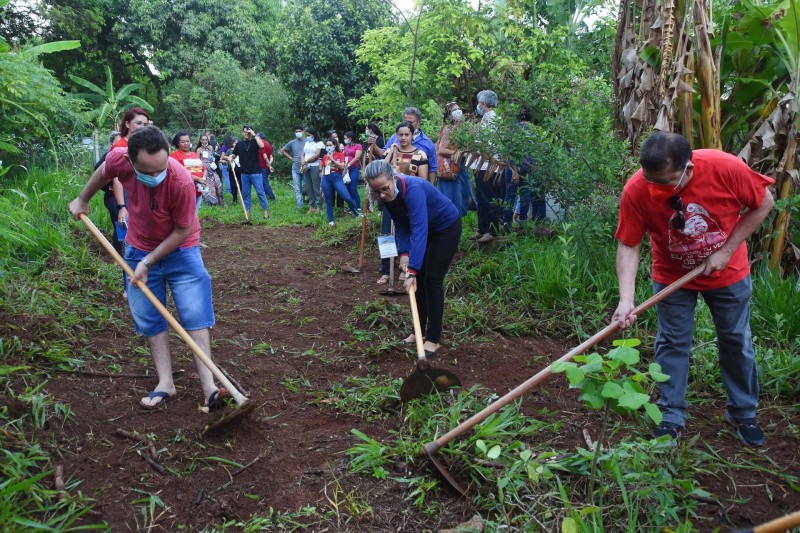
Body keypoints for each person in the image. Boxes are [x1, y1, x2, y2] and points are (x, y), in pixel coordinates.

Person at [612, 131, 774, 446]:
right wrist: (626, 299)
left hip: (728, 273)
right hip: (672, 275)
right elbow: (629, 246)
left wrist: (727, 250)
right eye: (651, 182)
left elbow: (763, 202)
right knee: (672, 342)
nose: (656, 190)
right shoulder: (636, 189)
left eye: (666, 183)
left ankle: (743, 412)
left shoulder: (724, 168)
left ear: (688, 169)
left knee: (735, 339)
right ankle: (670, 416)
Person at [68, 126, 229, 411]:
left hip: (182, 249)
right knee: (149, 314)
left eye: (161, 169)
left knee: (195, 312)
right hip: (138, 245)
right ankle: (165, 383)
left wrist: (147, 262)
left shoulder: (179, 180)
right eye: (149, 171)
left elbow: (182, 230)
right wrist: (83, 199)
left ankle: (209, 387)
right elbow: (104, 171)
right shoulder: (119, 158)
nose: (156, 176)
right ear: (131, 162)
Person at [364, 160, 462, 357]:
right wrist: (404, 254)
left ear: (393, 177)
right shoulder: (386, 194)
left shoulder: (413, 188)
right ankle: (418, 332)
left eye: (385, 189)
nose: (382, 195)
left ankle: (433, 339)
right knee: (417, 284)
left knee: (432, 279)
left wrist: (413, 269)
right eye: (377, 192)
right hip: (424, 231)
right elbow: (401, 225)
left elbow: (419, 229)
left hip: (445, 228)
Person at [378, 122, 429, 284]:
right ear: (396, 136)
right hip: (389, 199)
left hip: (408, 201)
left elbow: (423, 181)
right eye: (400, 135)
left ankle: (405, 268)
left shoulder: (420, 154)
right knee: (386, 233)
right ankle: (386, 270)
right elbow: (381, 171)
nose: (403, 138)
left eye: (407, 134)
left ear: (412, 135)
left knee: (407, 233)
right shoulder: (392, 151)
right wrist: (390, 154)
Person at [471, 90, 505, 244]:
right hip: (482, 164)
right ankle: (482, 228)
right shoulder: (486, 118)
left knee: (489, 198)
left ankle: (492, 230)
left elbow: (489, 145)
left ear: (483, 104)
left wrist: (474, 146)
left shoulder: (492, 120)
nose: (478, 105)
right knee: (481, 197)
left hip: (489, 166)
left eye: (479, 102)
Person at [502, 105, 543, 231]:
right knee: (525, 194)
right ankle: (522, 221)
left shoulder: (513, 128)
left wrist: (514, 170)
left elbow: (509, 150)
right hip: (528, 167)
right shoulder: (534, 130)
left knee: (510, 194)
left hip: (514, 167)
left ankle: (507, 222)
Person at [371, 107, 438, 181]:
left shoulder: (427, 143)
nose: (403, 138)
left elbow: (432, 167)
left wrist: (431, 187)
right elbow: (384, 155)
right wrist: (374, 145)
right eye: (406, 121)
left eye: (411, 122)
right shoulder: (395, 137)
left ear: (419, 122)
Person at [436, 101, 473, 217]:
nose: (458, 111)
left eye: (458, 109)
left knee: (462, 198)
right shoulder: (449, 129)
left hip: (459, 168)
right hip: (451, 168)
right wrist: (459, 153)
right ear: (449, 115)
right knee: (452, 200)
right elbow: (441, 149)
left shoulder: (461, 128)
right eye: (454, 110)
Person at [320, 138, 361, 226]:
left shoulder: (340, 154)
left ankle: (357, 213)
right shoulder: (325, 157)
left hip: (336, 177)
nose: (328, 147)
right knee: (329, 201)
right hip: (326, 178)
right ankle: (331, 221)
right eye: (327, 145)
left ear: (335, 145)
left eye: (330, 145)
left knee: (347, 197)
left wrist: (333, 160)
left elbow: (342, 166)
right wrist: (321, 184)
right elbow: (323, 170)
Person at [232, 125, 269, 220]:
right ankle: (247, 213)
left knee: (260, 192)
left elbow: (262, 145)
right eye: (244, 131)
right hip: (244, 173)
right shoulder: (239, 144)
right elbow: (234, 154)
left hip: (256, 172)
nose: (246, 133)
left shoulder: (254, 142)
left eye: (248, 131)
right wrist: (230, 157)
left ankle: (265, 212)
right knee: (246, 194)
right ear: (242, 132)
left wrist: (254, 134)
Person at [170, 132, 207, 213]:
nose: (186, 143)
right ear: (178, 143)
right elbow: (180, 173)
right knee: (186, 213)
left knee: (195, 212)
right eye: (183, 142)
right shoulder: (174, 156)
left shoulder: (194, 154)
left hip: (198, 190)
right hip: (184, 191)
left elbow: (204, 169)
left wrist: (203, 179)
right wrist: (198, 179)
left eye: (187, 141)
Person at [281, 125, 307, 209]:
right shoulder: (292, 142)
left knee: (309, 187)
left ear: (303, 132)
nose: (298, 133)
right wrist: (291, 158)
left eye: (299, 131)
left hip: (306, 167)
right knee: (297, 188)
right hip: (295, 167)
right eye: (296, 132)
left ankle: (312, 205)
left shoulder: (308, 141)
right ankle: (300, 206)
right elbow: (282, 150)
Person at [300, 127, 325, 214]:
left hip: (315, 166)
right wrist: (303, 163)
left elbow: (317, 155)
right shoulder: (307, 142)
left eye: (309, 135)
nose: (307, 137)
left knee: (316, 187)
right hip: (306, 167)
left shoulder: (319, 143)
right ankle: (312, 206)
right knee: (309, 187)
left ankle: (319, 206)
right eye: (306, 135)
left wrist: (306, 161)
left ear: (313, 135)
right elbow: (303, 154)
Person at [195, 134, 224, 206]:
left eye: (206, 139)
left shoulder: (210, 147)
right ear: (200, 140)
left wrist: (214, 162)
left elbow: (213, 156)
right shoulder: (199, 150)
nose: (205, 141)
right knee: (209, 185)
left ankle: (221, 200)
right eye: (203, 140)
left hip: (212, 167)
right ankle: (211, 202)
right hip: (204, 169)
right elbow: (197, 161)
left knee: (218, 182)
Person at [342, 131, 364, 210]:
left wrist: (349, 165)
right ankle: (351, 206)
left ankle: (358, 207)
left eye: (345, 138)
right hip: (346, 170)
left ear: (350, 138)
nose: (344, 140)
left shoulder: (358, 146)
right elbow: (343, 156)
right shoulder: (346, 147)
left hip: (354, 169)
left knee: (353, 188)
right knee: (347, 188)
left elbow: (357, 157)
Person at [257, 132, 276, 200]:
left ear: (259, 137)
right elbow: (271, 156)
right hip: (266, 166)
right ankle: (266, 196)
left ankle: (272, 197)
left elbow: (265, 157)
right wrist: (269, 164)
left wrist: (269, 165)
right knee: (264, 182)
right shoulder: (268, 143)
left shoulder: (263, 145)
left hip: (263, 167)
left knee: (264, 183)